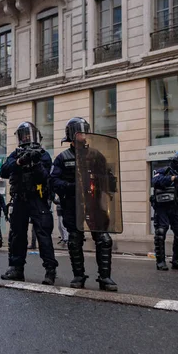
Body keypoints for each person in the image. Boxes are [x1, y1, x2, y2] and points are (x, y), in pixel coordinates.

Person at [50, 117, 118, 291]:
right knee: (74, 239)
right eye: (80, 131)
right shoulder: (62, 158)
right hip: (73, 204)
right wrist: (72, 187)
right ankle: (79, 276)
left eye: (85, 131)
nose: (83, 134)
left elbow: (107, 175)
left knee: (103, 239)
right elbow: (53, 181)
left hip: (94, 203)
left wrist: (109, 183)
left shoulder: (95, 155)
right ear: (72, 135)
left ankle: (105, 277)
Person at [0, 122, 57, 284]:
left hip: (37, 198)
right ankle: (16, 268)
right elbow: (3, 171)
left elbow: (46, 177)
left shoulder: (43, 154)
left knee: (43, 234)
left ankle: (50, 271)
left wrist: (36, 163)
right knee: (17, 234)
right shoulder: (16, 154)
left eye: (28, 134)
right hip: (19, 199)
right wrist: (19, 162)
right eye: (23, 135)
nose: (26, 138)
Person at [150, 151, 178, 271]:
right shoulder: (165, 170)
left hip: (174, 206)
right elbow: (155, 181)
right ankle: (160, 262)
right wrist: (173, 178)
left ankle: (177, 261)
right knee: (160, 232)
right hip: (162, 206)